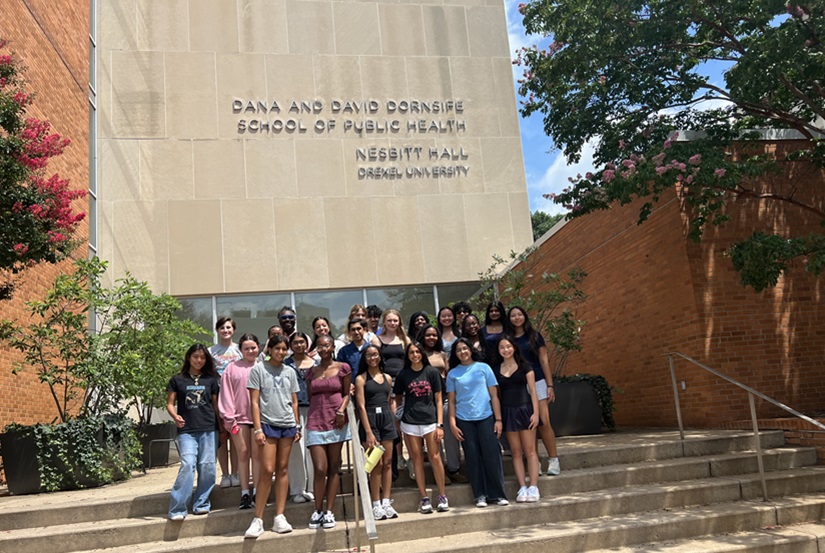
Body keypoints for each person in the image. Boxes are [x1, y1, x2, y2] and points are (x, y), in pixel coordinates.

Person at [244, 335, 301, 537]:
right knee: (267, 469)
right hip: (267, 425)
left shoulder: (290, 372)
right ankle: (258, 518)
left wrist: (297, 424)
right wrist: (257, 429)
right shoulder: (258, 369)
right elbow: (254, 402)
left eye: (284, 348)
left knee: (283, 468)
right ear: (270, 349)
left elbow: (294, 401)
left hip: (287, 424)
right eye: (277, 348)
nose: (281, 352)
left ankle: (279, 516)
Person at [447, 338, 508, 508]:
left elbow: (494, 395)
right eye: (458, 350)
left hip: (486, 417)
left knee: (492, 456)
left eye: (465, 348)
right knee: (472, 458)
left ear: (471, 350)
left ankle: (497, 494)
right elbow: (451, 401)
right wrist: (452, 423)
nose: (462, 352)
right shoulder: (453, 374)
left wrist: (498, 419)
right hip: (464, 420)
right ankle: (480, 495)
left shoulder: (484, 368)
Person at [394, 342, 449, 513]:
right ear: (408, 355)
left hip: (431, 421)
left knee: (435, 457)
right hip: (410, 423)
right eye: (411, 352)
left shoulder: (431, 372)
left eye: (418, 351)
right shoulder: (403, 374)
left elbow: (439, 400)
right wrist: (399, 417)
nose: (415, 355)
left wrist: (440, 424)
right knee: (416, 459)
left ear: (422, 354)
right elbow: (398, 398)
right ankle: (424, 497)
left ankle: (442, 496)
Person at [166, 344, 220, 520]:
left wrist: (223, 428)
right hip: (186, 430)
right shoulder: (178, 379)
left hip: (208, 428)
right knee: (188, 464)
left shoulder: (211, 380)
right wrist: (175, 416)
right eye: (196, 356)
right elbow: (170, 403)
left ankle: (201, 503)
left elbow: (216, 406)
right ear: (189, 357)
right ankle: (177, 508)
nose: (199, 360)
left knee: (207, 467)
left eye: (203, 357)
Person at [306, 335, 352, 530]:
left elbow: (347, 393)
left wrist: (341, 410)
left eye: (327, 345)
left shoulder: (343, 368)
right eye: (320, 345)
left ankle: (330, 510)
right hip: (316, 421)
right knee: (320, 469)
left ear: (333, 346)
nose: (323, 348)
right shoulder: (311, 371)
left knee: (334, 467)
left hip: (336, 421)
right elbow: (310, 395)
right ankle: (318, 509)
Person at [508, 305, 561, 476]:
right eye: (513, 315)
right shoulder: (508, 339)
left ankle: (553, 460)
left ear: (524, 316)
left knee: (544, 421)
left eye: (519, 314)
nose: (516, 318)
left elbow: (544, 361)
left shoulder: (534, 336)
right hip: (519, 385)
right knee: (528, 424)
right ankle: (534, 462)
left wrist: (550, 385)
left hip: (537, 380)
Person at [491, 335, 540, 502]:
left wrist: (536, 413)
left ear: (514, 347)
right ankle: (522, 487)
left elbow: (533, 391)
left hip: (525, 410)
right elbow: (496, 395)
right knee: (516, 452)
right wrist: (499, 418)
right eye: (502, 347)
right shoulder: (496, 369)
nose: (506, 350)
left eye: (508, 346)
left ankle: (534, 486)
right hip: (507, 412)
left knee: (530, 450)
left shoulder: (526, 367)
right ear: (498, 350)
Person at [354, 345, 399, 520]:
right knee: (376, 464)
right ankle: (376, 504)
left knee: (387, 462)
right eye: (369, 355)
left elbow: (388, 401)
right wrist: (368, 432)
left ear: (380, 356)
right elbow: (361, 406)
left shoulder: (387, 378)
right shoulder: (361, 379)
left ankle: (386, 501)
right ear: (364, 358)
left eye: (375, 354)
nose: (372, 358)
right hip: (370, 420)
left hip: (386, 419)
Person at [218, 333, 260, 509]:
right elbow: (226, 394)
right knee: (243, 454)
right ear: (240, 350)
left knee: (257, 457)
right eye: (246, 348)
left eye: (253, 347)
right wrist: (229, 419)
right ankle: (244, 493)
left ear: (259, 347)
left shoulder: (263, 367)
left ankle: (258, 491)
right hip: (238, 420)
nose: (250, 351)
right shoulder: (231, 368)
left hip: (259, 421)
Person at [420, 325, 467, 484]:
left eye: (434, 335)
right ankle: (438, 471)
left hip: (444, 396)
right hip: (425, 400)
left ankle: (454, 469)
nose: (431, 338)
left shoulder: (442, 354)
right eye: (428, 335)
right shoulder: (418, 354)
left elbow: (448, 374)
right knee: (434, 438)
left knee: (450, 435)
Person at [371, 309, 411, 475]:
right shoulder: (377, 339)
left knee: (408, 420)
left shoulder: (405, 339)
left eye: (395, 320)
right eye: (390, 320)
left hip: (405, 381)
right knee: (395, 420)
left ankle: (413, 458)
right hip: (387, 382)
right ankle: (399, 455)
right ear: (384, 322)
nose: (393, 323)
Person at [208, 317, 241, 488]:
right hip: (218, 397)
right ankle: (225, 474)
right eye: (222, 327)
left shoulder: (239, 350)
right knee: (222, 438)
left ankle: (236, 473)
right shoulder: (211, 351)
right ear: (217, 330)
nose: (225, 330)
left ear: (233, 329)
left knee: (235, 436)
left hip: (236, 398)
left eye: (228, 327)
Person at [284, 332, 316, 504]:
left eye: (302, 342)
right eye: (295, 342)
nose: (298, 345)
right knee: (296, 452)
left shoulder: (316, 364)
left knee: (312, 449)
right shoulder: (285, 365)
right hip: (291, 411)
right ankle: (297, 490)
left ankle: (312, 488)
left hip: (313, 410)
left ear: (307, 343)